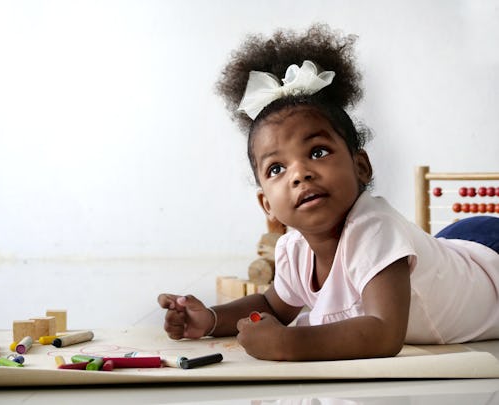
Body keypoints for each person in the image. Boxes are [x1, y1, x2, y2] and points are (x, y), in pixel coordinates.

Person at [158, 23, 499, 361]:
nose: (300, 173)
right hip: (453, 253)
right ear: (267, 205)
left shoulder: (373, 229)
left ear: (361, 166)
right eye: (277, 169)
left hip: (488, 260)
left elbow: (384, 333)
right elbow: (270, 305)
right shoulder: (294, 249)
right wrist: (211, 319)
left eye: (318, 152)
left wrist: (288, 344)